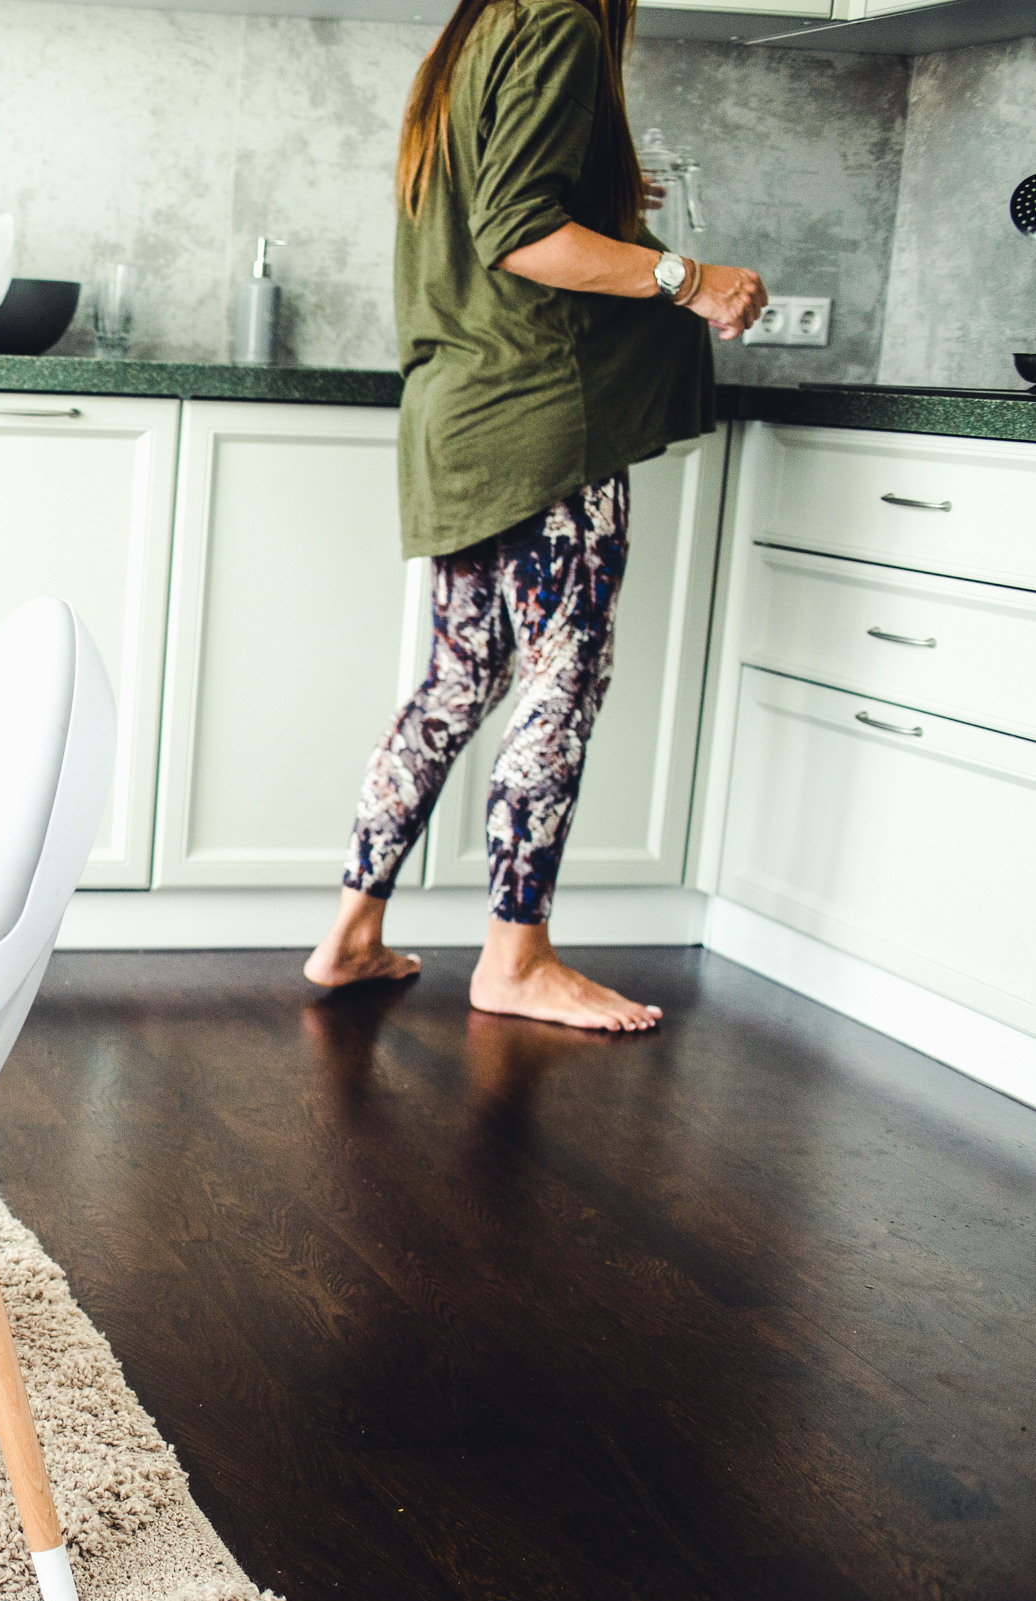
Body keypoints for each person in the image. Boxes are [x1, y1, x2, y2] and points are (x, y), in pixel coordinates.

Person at [304, 0, 768, 1031]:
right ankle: (515, 955)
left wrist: (603, 201)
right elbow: (521, 235)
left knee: (454, 682)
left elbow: (500, 205)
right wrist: (688, 279)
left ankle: (347, 933)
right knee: (563, 675)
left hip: (463, 416)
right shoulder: (561, 20)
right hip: (540, 417)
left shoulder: (478, 31)